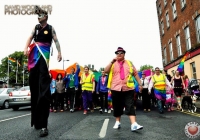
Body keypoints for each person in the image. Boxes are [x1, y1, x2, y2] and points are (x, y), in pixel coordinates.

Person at [24, 6, 62, 137]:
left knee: (44, 92)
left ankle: (44, 125)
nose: (38, 17)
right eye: (37, 15)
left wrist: (59, 52)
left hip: (43, 61)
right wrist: (25, 48)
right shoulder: (35, 28)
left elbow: (56, 41)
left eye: (40, 15)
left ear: (46, 17)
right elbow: (29, 38)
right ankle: (36, 122)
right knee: (34, 90)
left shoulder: (51, 28)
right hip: (34, 59)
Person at [104, 47, 143, 131]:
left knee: (130, 105)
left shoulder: (129, 63)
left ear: (124, 54)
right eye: (117, 53)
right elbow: (105, 71)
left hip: (128, 88)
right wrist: (111, 61)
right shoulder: (113, 64)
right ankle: (117, 122)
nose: (119, 54)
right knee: (117, 106)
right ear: (116, 55)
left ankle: (134, 124)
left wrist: (140, 84)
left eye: (121, 53)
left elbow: (135, 74)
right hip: (115, 88)